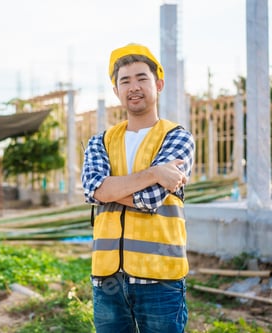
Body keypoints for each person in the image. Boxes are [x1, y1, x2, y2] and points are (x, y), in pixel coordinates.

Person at [81, 43, 195, 332]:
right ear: (117, 91)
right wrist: (156, 171)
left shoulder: (177, 138)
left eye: (142, 78)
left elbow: (149, 199)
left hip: (160, 280)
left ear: (158, 84)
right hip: (107, 280)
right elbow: (94, 189)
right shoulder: (100, 142)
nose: (134, 87)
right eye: (125, 81)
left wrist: (108, 189)